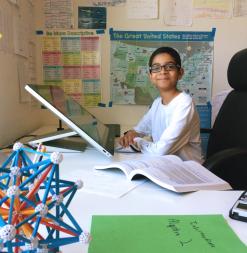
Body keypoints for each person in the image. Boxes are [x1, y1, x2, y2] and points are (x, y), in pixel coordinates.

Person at [119, 47, 202, 163]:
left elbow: (162, 149)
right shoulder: (157, 103)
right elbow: (140, 129)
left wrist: (137, 142)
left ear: (180, 73)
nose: (163, 71)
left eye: (170, 66)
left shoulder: (185, 103)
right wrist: (130, 134)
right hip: (164, 165)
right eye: (156, 68)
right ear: (151, 76)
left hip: (187, 170)